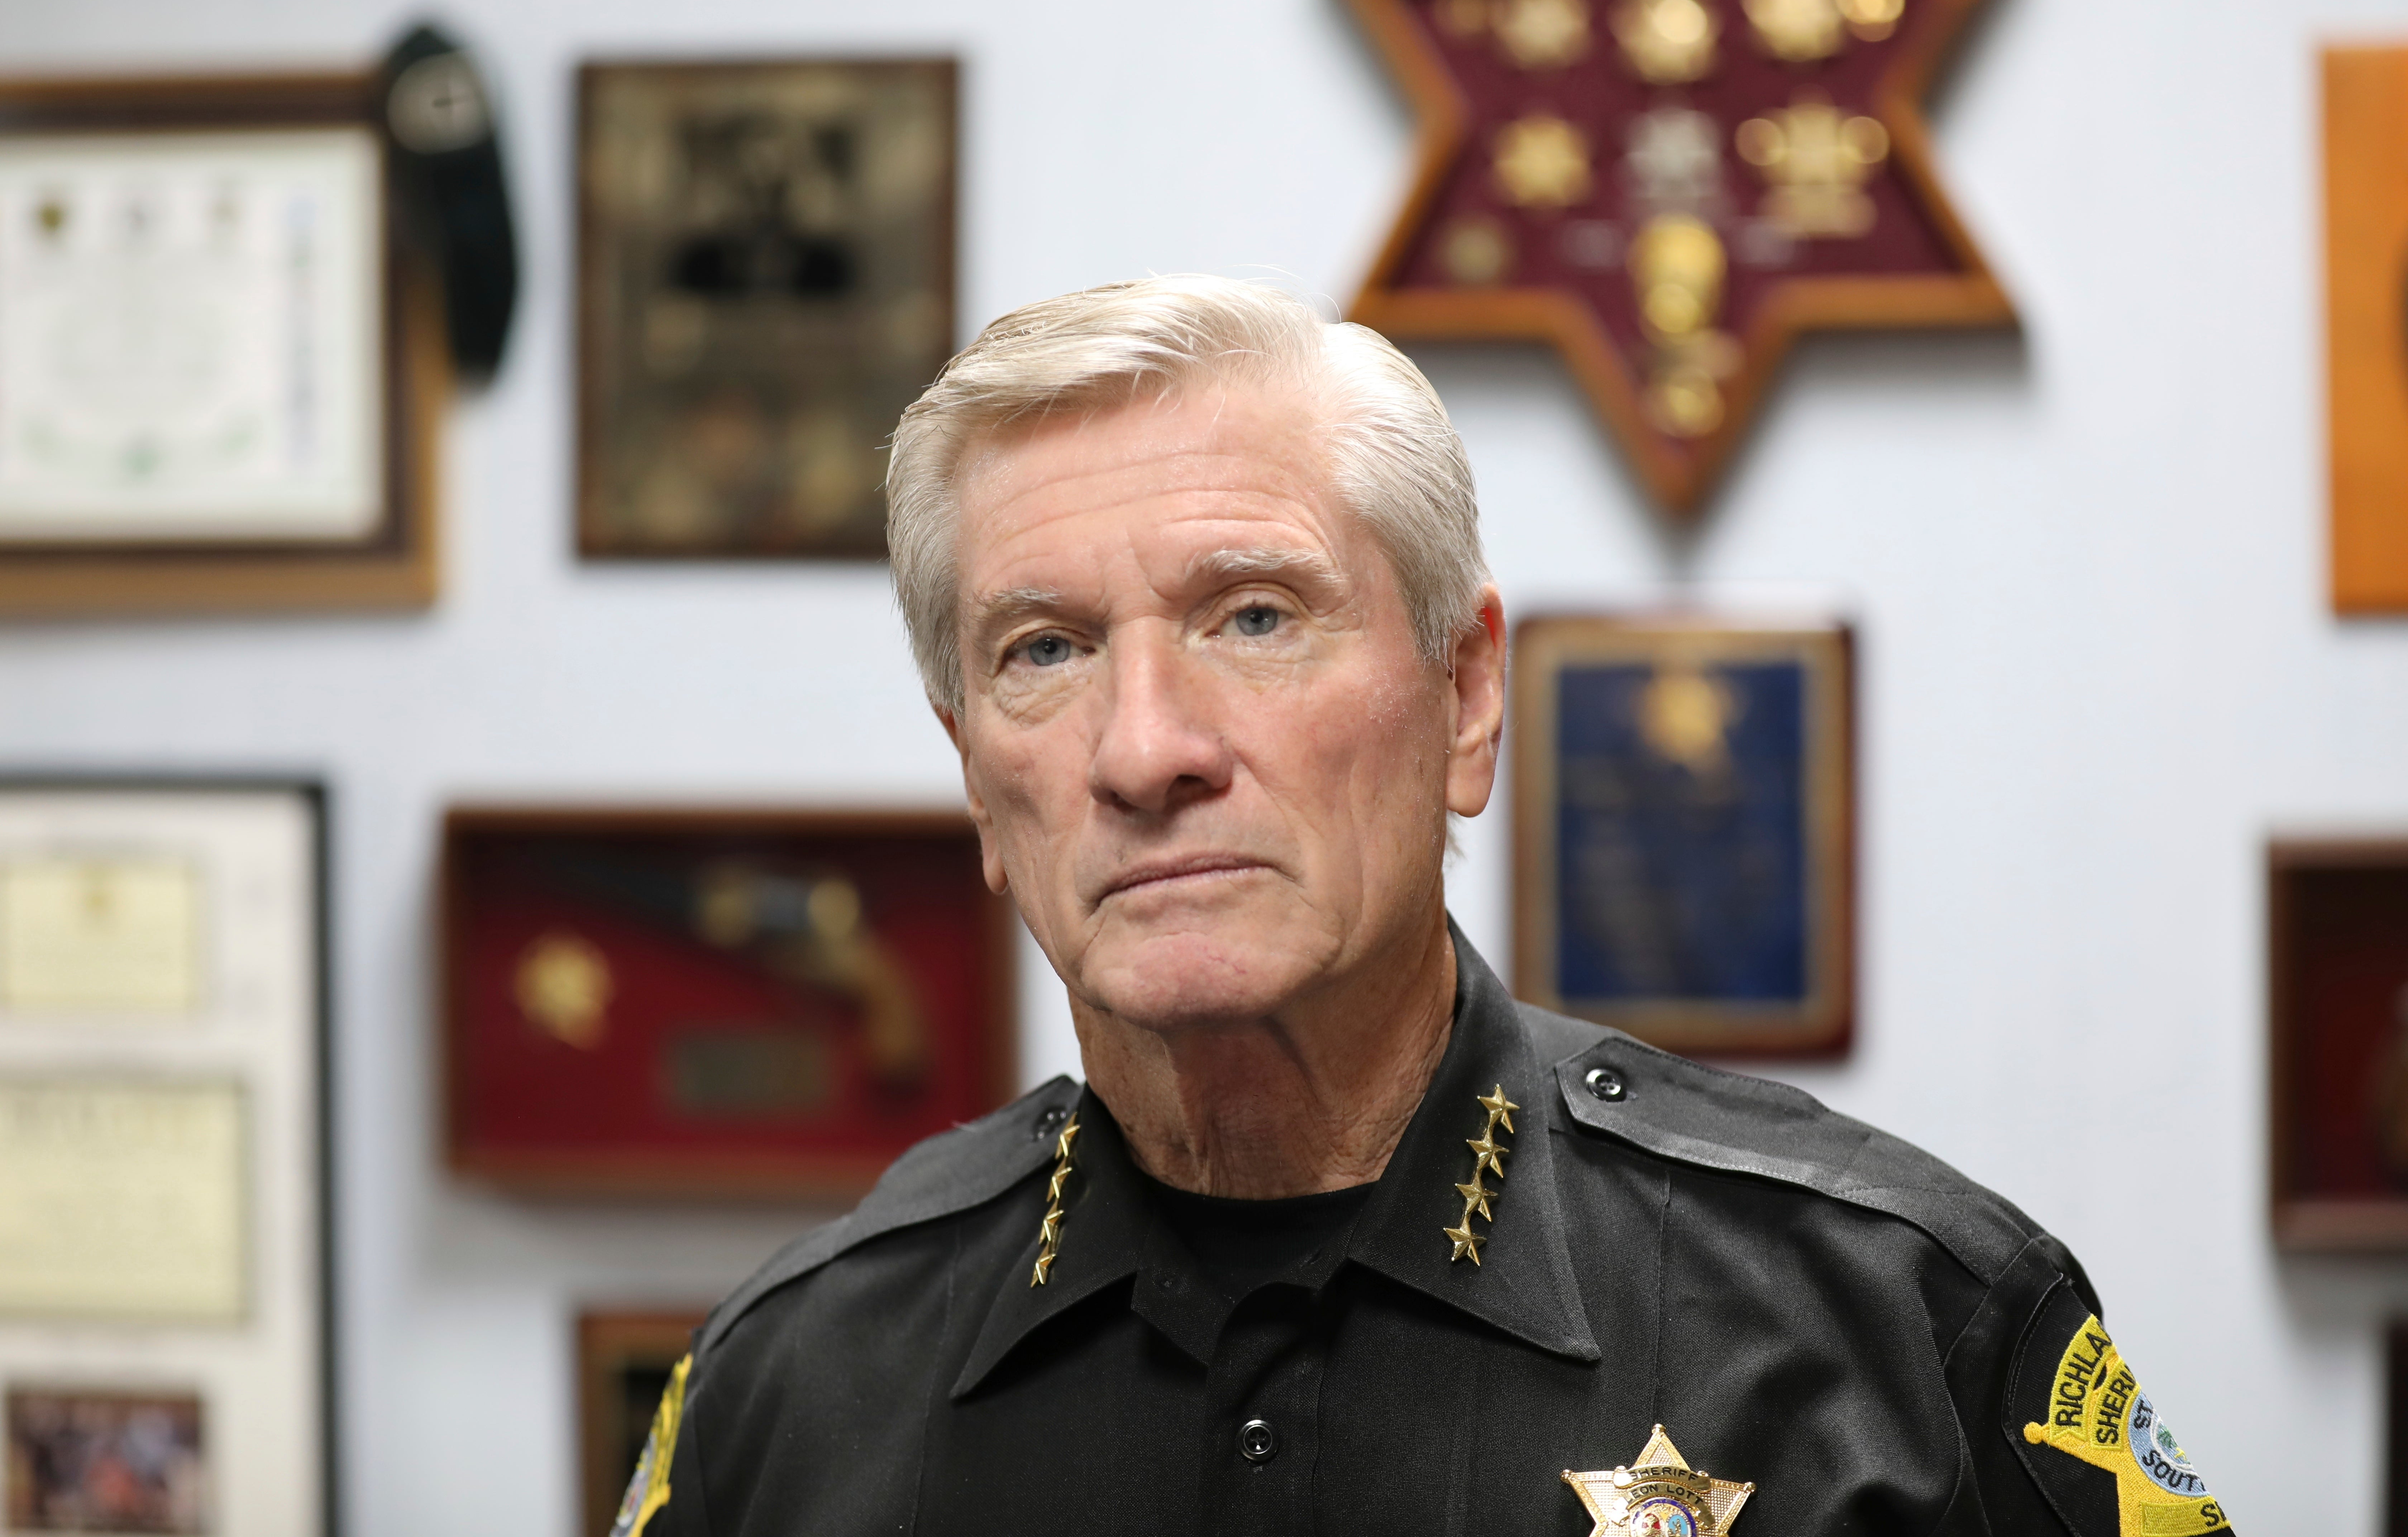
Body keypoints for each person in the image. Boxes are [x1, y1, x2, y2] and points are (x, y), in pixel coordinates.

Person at [614, 277, 2224, 1537]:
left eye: (1254, 615)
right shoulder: (788, 1388)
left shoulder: (1892, 1334)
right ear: (977, 779)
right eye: (1043, 650)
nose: (1145, 749)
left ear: (1464, 699)